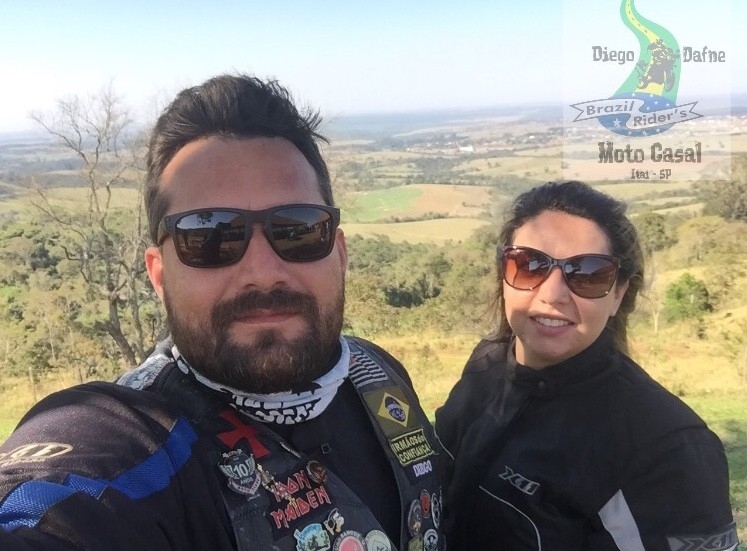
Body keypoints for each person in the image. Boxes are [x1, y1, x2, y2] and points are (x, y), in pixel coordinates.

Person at [0, 74, 444, 551]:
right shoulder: (131, 444)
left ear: (339, 253)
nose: (263, 272)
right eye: (209, 237)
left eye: (297, 230)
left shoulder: (378, 375)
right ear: (159, 274)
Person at [435, 181, 738, 550]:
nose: (552, 294)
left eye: (588, 273)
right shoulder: (485, 367)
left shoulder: (666, 449)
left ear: (618, 294)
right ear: (504, 273)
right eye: (529, 265)